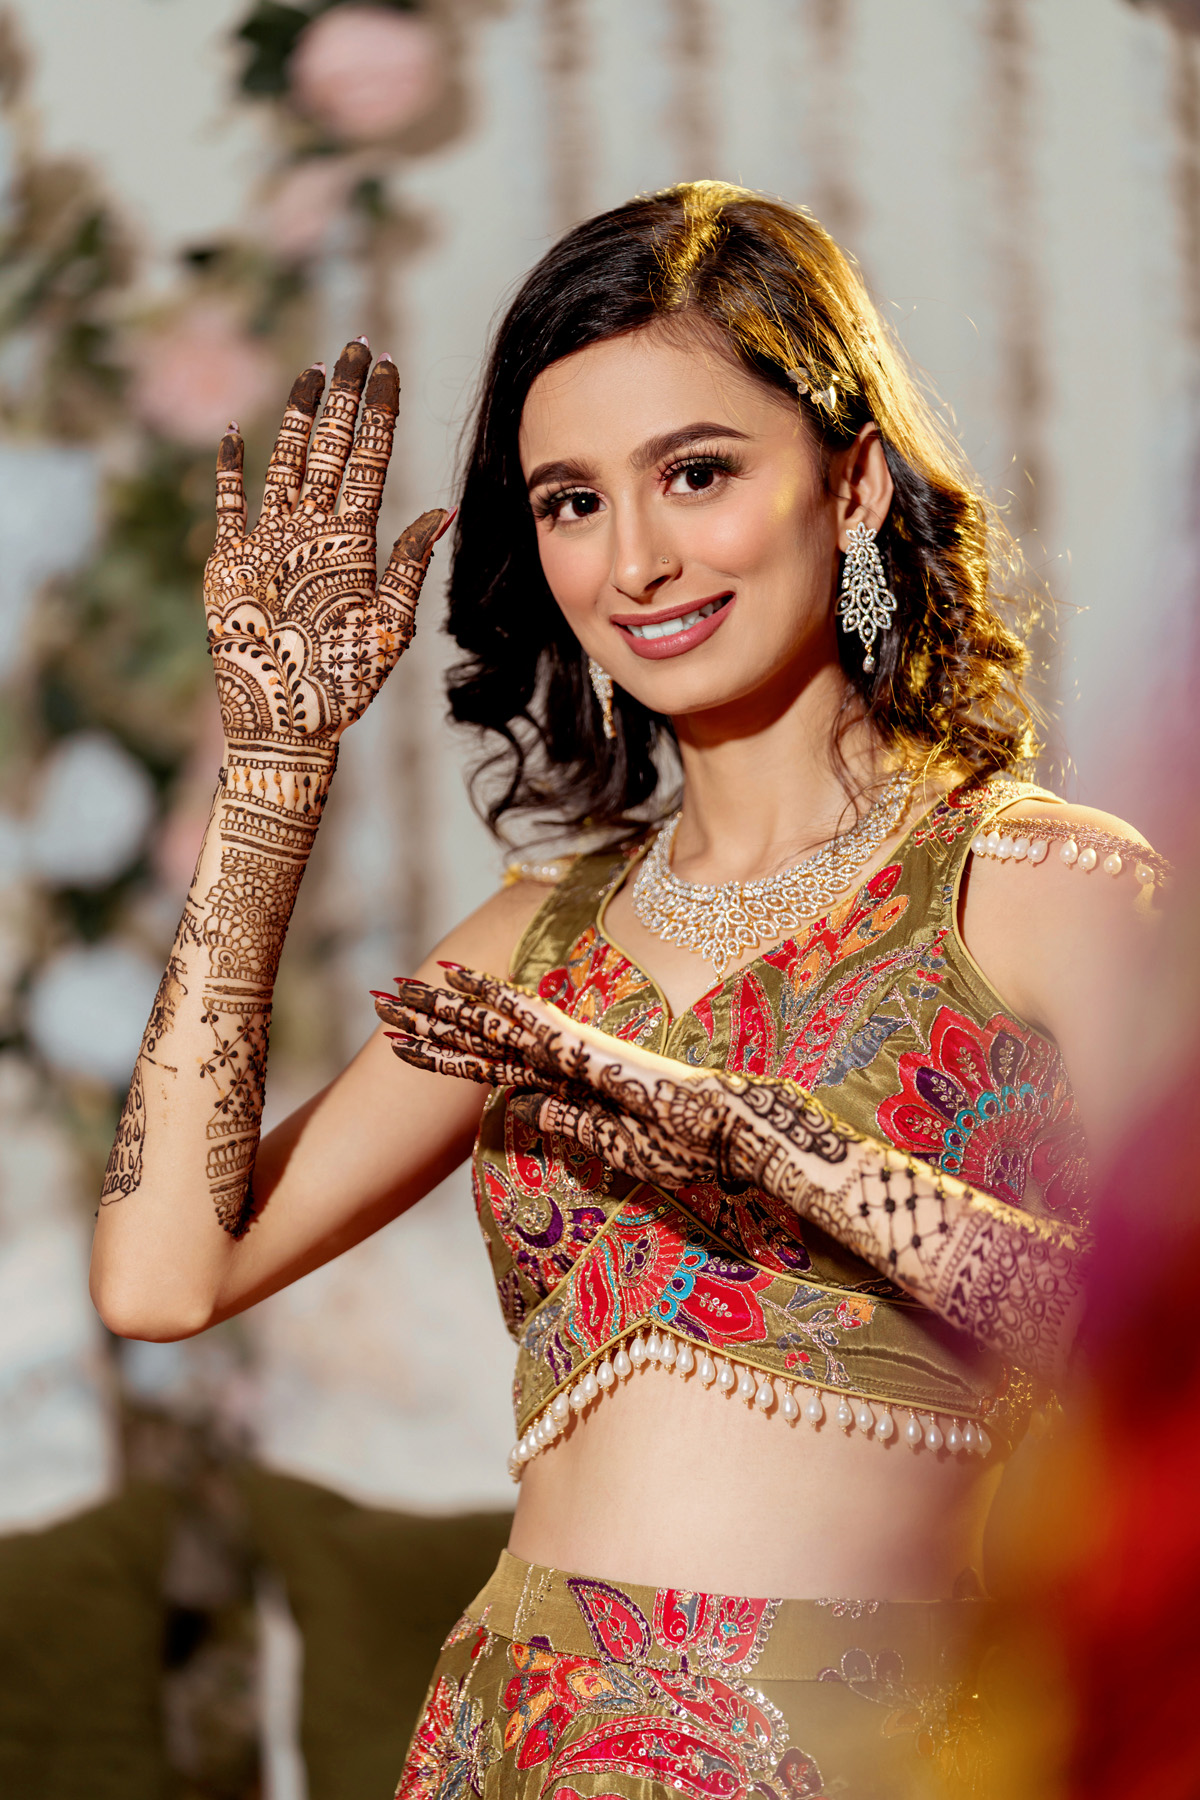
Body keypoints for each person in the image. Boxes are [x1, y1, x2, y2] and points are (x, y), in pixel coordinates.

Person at [92, 183, 1163, 1797]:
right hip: (505, 1739)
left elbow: (1161, 1366)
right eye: (572, 502)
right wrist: (275, 773)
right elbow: (164, 1276)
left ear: (852, 481)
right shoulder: (538, 942)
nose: (637, 558)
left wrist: (771, 1143)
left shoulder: (1044, 888)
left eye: (699, 474)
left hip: (836, 1746)